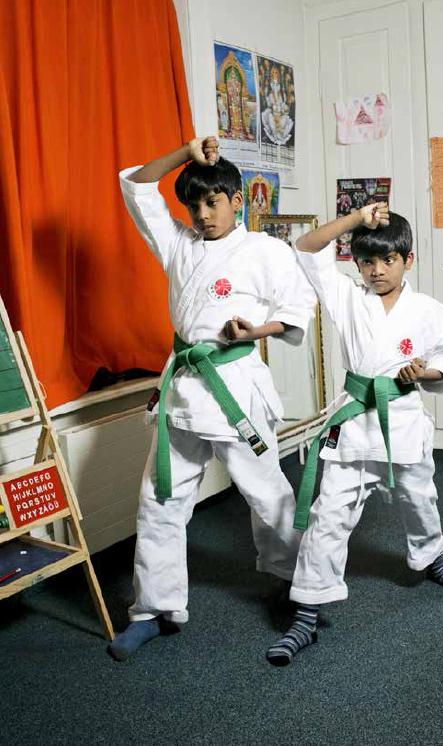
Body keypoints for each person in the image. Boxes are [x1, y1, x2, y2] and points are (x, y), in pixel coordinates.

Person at [109, 136, 316, 661]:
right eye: (193, 206)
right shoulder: (178, 244)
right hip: (183, 391)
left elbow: (298, 309)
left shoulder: (265, 251)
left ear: (236, 199)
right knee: (158, 500)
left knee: (268, 495)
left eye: (212, 202)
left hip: (236, 390)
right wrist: (186, 152)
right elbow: (136, 185)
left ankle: (299, 588)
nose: (202, 215)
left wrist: (256, 331)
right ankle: (153, 609)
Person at [266, 208, 443, 666]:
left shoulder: (427, 311)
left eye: (388, 260)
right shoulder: (346, 296)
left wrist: (424, 372)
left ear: (408, 260)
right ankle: (306, 611)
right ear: (356, 263)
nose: (377, 270)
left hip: (402, 421)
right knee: (328, 515)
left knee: (419, 500)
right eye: (367, 261)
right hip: (355, 422)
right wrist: (355, 218)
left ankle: (432, 559)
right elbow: (306, 246)